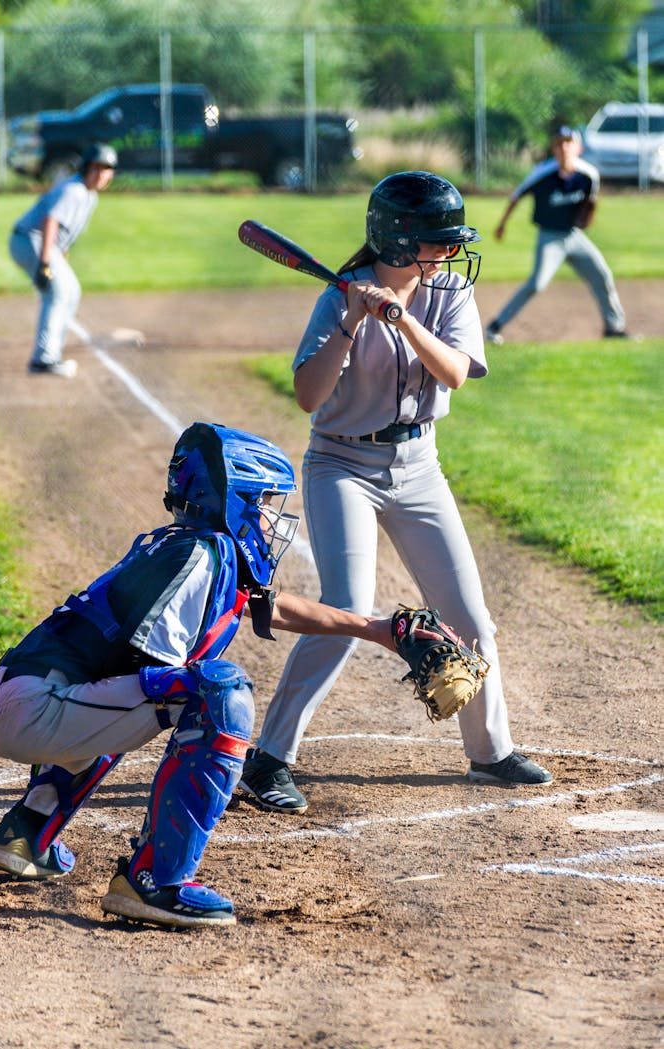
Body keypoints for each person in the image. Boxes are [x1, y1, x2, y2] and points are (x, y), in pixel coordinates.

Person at [0, 422, 430, 930]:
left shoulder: (182, 547)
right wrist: (202, 735)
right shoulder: (201, 555)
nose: (266, 518)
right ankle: (156, 881)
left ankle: (26, 832)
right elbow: (152, 671)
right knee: (217, 690)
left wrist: (377, 629)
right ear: (231, 497)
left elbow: (265, 607)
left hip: (19, 695)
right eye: (259, 502)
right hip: (40, 709)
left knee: (138, 694)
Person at [239, 170, 552, 816]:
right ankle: (268, 757)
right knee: (347, 605)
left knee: (469, 617)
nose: (449, 251)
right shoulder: (338, 299)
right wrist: (354, 319)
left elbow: (457, 373)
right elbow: (307, 397)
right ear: (401, 241)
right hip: (340, 465)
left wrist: (402, 319)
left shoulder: (450, 292)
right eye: (438, 240)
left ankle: (490, 751)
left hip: (419, 467)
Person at [485, 125, 629, 345]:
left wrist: (588, 216)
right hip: (550, 237)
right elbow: (516, 196)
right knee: (537, 283)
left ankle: (614, 327)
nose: (564, 147)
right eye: (559, 143)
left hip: (574, 236)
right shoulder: (542, 173)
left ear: (578, 147)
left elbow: (591, 201)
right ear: (553, 148)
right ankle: (495, 326)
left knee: (603, 275)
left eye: (568, 142)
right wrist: (502, 224)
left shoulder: (588, 174)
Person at [9, 142, 118, 378]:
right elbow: (51, 221)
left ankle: (52, 352)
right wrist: (45, 262)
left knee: (72, 290)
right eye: (96, 168)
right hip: (30, 240)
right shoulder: (74, 190)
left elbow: (65, 236)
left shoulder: (89, 196)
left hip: (40, 244)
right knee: (57, 293)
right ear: (86, 168)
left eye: (106, 169)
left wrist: (58, 260)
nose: (100, 174)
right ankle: (44, 359)